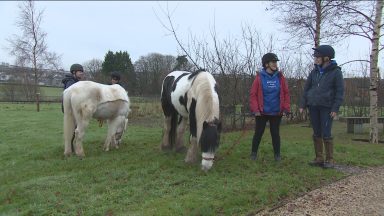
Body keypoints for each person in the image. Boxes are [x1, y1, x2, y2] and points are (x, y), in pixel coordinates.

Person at [299, 45, 344, 169]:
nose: (315, 58)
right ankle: (319, 158)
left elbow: (340, 92)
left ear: (327, 58)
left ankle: (330, 159)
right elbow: (307, 88)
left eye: (318, 56)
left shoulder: (336, 72)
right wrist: (303, 104)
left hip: (327, 107)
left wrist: (335, 108)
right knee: (316, 132)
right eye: (315, 56)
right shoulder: (314, 72)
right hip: (313, 106)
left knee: (326, 133)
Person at [249, 53, 290, 161]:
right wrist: (256, 110)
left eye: (276, 62)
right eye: (273, 62)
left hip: (276, 112)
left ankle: (277, 155)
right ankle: (253, 153)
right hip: (262, 112)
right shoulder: (259, 77)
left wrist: (286, 108)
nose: (275, 64)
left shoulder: (280, 77)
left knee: (275, 134)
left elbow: (286, 93)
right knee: (258, 132)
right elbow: (253, 94)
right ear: (266, 64)